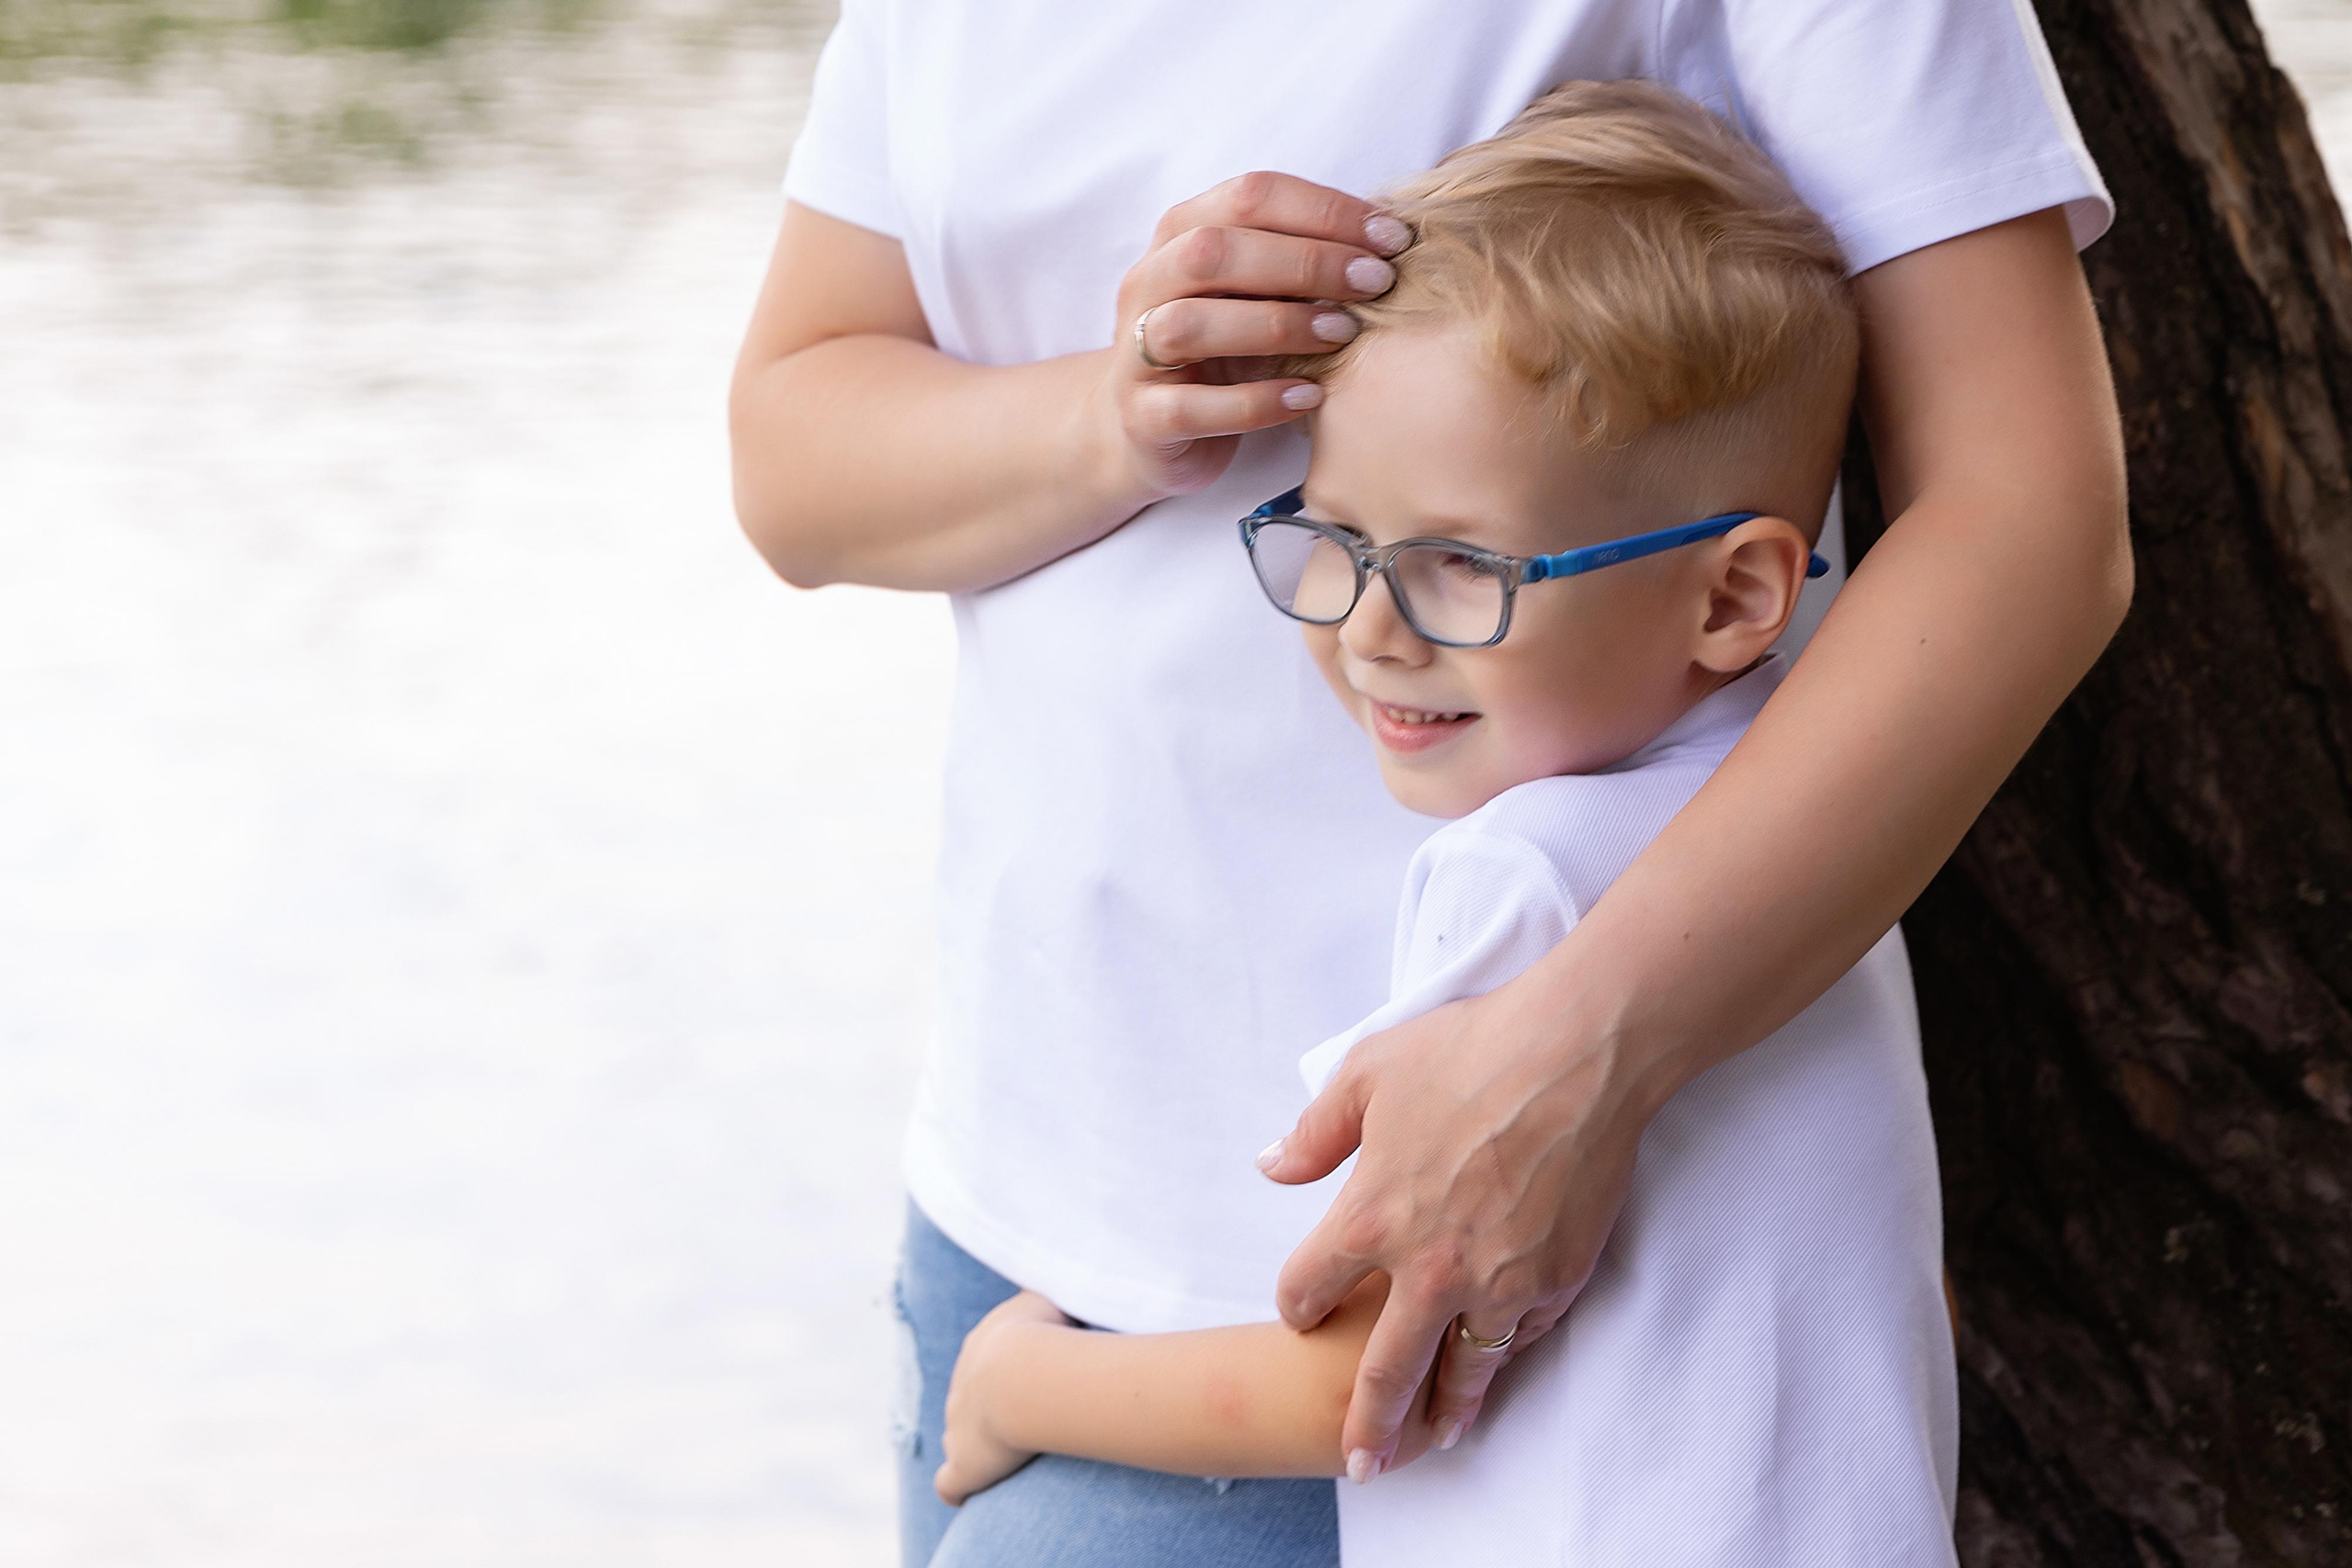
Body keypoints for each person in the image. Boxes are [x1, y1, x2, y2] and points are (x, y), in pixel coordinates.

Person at [729, 2, 2127, 1562]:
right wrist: (1115, 412)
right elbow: (791, 467)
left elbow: (2029, 514)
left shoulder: (1528, 890)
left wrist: (1579, 1052)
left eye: (1458, 568)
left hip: (1363, 1280)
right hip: (1019, 1193)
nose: (1376, 628)